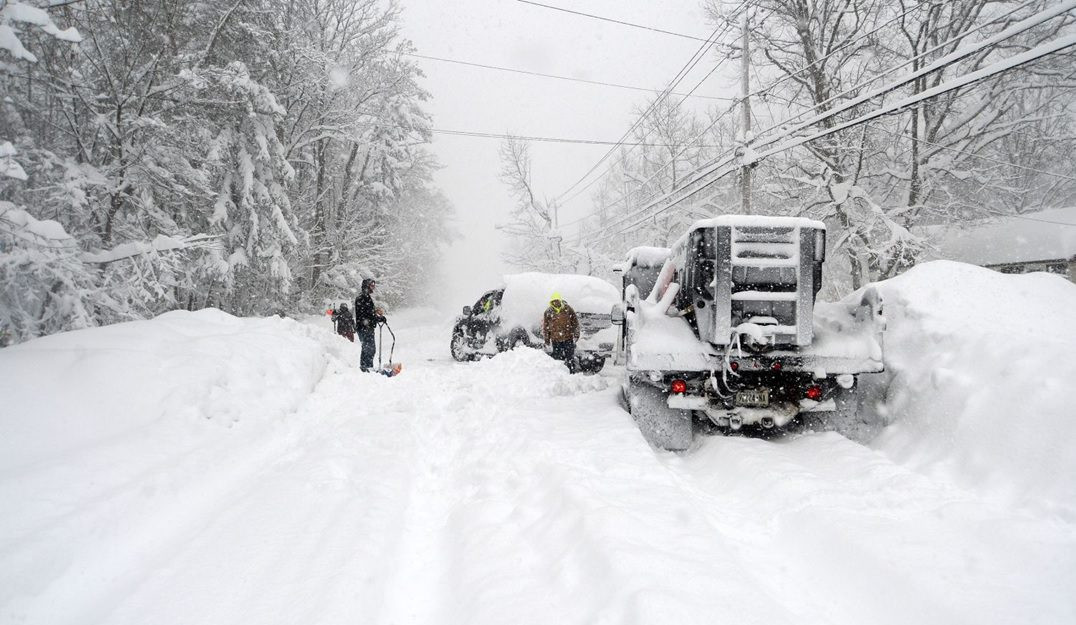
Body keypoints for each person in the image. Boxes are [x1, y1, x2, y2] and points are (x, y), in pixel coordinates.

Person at [542, 292, 580, 373]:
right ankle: (559, 374)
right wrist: (547, 340)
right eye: (553, 301)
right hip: (556, 339)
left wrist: (576, 335)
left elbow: (575, 322)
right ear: (551, 302)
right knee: (557, 359)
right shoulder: (548, 312)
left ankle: (571, 373)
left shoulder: (568, 309)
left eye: (557, 300)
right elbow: (546, 327)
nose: (555, 302)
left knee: (570, 357)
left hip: (568, 338)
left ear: (560, 300)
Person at [354, 278, 386, 372]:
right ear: (366, 286)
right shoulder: (362, 297)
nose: (373, 288)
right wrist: (377, 318)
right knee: (369, 349)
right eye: (371, 286)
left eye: (374, 286)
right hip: (364, 327)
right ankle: (366, 368)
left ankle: (366, 367)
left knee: (368, 348)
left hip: (366, 327)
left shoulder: (365, 297)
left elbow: (369, 313)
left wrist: (376, 315)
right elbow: (365, 315)